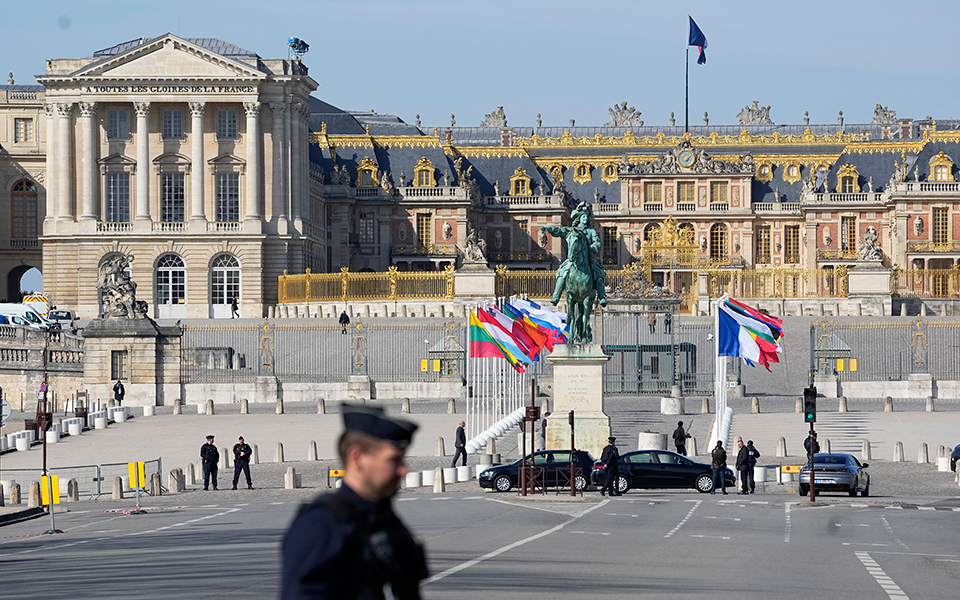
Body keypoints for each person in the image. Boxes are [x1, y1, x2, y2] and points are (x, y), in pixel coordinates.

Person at [280, 404, 427, 599]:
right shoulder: (322, 527)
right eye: (394, 460)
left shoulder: (383, 520)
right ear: (357, 458)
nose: (404, 470)